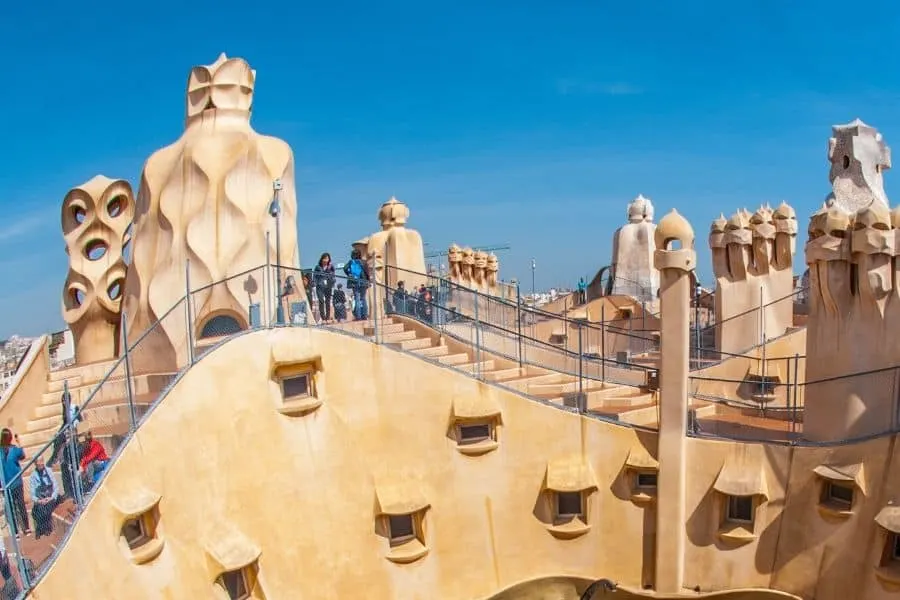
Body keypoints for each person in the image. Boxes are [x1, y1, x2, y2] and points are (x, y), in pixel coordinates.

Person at [0, 429, 29, 537]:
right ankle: (20, 530)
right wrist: (19, 442)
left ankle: (23, 529)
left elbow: (22, 456)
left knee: (17, 507)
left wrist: (18, 443)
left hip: (12, 483)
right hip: (10, 484)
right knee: (15, 508)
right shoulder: (7, 450)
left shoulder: (11, 449)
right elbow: (22, 456)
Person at [29, 457, 63, 538]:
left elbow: (56, 486)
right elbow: (32, 494)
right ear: (35, 464)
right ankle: (43, 529)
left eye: (41, 461)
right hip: (41, 499)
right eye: (38, 462)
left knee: (44, 509)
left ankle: (43, 529)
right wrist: (39, 500)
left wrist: (51, 497)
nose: (40, 464)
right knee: (35, 511)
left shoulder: (49, 471)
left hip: (51, 497)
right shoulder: (33, 476)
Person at [343, 249, 370, 321]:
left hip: (354, 282)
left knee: (357, 299)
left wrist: (349, 274)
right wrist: (368, 281)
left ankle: (358, 316)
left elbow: (344, 268)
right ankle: (365, 315)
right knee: (363, 298)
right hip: (363, 282)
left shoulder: (351, 262)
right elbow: (367, 273)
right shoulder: (363, 262)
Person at [313, 252, 336, 323]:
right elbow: (315, 276)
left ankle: (327, 317)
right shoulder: (317, 267)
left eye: (327, 258)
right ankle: (323, 318)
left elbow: (333, 276)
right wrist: (314, 283)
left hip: (328, 285)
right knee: (321, 301)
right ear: (322, 259)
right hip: (320, 286)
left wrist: (332, 282)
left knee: (328, 301)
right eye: (324, 258)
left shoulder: (331, 267)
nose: (326, 260)